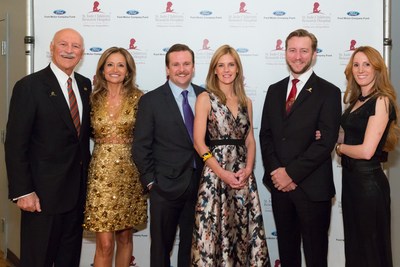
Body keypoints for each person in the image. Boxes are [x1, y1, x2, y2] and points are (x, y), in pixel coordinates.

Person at [4, 28, 91, 267]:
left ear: (82, 54)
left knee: (69, 259)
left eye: (75, 47)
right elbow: (14, 143)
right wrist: (23, 191)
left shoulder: (84, 86)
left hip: (76, 195)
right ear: (52, 47)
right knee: (37, 259)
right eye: (64, 44)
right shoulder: (29, 87)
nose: (69, 51)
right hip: (41, 197)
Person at [259, 28, 342, 267]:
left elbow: (325, 143)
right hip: (280, 189)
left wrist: (290, 173)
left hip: (312, 189)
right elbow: (266, 136)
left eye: (304, 51)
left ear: (314, 54)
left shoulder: (329, 92)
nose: (298, 56)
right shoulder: (274, 91)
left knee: (316, 256)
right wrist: (278, 172)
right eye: (293, 50)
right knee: (287, 253)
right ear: (285, 52)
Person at [191, 45, 270, 266]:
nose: (226, 70)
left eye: (231, 64)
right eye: (221, 65)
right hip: (215, 176)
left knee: (242, 234)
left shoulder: (247, 102)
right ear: (214, 70)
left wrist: (248, 169)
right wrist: (221, 173)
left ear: (237, 69)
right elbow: (199, 142)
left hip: (242, 176)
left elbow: (250, 140)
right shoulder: (205, 98)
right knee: (212, 234)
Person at [132, 43, 204, 267]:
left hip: (201, 186)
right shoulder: (151, 100)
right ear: (167, 69)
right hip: (164, 187)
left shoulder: (206, 97)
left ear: (193, 67)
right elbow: (141, 146)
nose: (181, 69)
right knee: (161, 248)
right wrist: (152, 182)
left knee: (192, 247)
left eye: (186, 64)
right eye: (176, 64)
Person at [82, 47, 147, 267]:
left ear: (128, 71)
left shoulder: (141, 99)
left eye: (121, 65)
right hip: (100, 176)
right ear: (102, 69)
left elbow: (148, 137)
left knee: (125, 237)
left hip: (130, 175)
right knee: (106, 243)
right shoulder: (91, 99)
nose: (115, 69)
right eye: (110, 64)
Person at [336, 46, 399, 267]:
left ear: (377, 69)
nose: (361, 69)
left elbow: (366, 150)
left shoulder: (381, 101)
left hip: (369, 186)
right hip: (352, 183)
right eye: (356, 64)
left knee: (371, 251)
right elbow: (349, 134)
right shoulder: (356, 101)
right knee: (355, 248)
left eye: (367, 64)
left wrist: (339, 148)